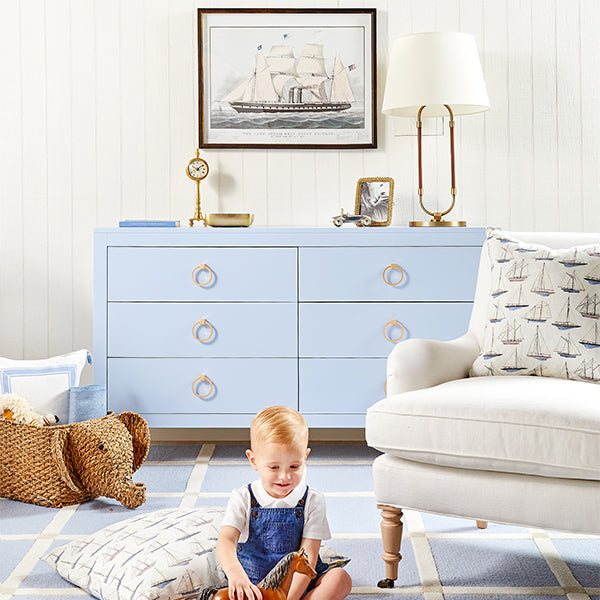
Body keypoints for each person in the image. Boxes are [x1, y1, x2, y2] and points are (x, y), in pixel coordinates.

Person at [216, 406, 352, 600]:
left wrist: (290, 599)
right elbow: (226, 540)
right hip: (255, 586)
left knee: (341, 578)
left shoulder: (313, 500)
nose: (285, 476)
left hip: (299, 584)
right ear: (253, 460)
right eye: (274, 467)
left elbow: (309, 557)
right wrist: (235, 574)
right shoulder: (243, 497)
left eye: (295, 466)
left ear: (305, 457)